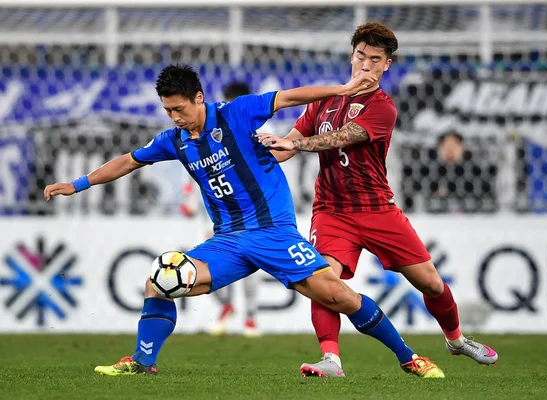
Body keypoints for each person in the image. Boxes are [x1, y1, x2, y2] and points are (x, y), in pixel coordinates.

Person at [43, 64, 444, 378]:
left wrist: (341, 90)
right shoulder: (175, 141)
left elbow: (289, 98)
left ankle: (410, 358)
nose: (175, 117)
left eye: (179, 108)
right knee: (160, 280)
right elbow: (128, 161)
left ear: (198, 98)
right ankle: (142, 362)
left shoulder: (236, 113)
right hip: (228, 241)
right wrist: (77, 184)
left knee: (338, 296)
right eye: (168, 110)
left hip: (272, 233)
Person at [257, 22, 498, 378]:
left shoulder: (383, 107)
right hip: (331, 210)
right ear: (351, 56)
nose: (365, 65)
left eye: (375, 59)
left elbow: (342, 137)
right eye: (360, 56)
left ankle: (456, 339)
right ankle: (331, 359)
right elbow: (289, 143)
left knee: (430, 283)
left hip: (377, 210)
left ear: (387, 65)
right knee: (322, 279)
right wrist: (264, 151)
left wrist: (296, 144)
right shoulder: (325, 98)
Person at [180, 81, 263, 337]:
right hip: (219, 215)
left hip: (253, 214)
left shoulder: (258, 130)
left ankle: (250, 317)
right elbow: (200, 166)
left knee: (250, 266)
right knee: (211, 262)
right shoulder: (209, 128)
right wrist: (190, 199)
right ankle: (227, 306)